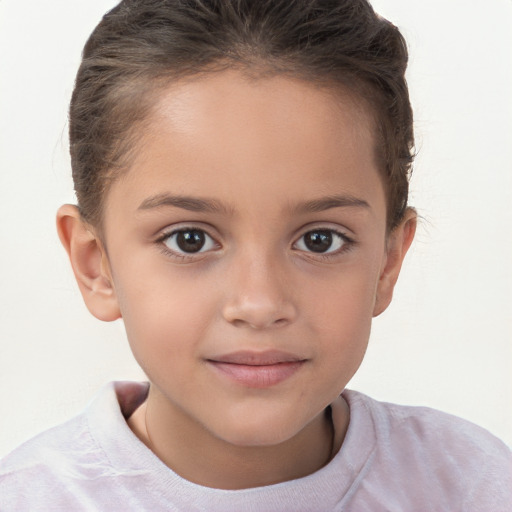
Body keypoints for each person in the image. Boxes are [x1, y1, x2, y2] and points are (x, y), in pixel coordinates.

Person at [0, 0, 510, 509]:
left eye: (320, 240)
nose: (260, 303)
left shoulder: (474, 488)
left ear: (387, 261)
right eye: (189, 239)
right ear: (96, 266)